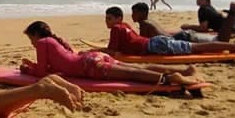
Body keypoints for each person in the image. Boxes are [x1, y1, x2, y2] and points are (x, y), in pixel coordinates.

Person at [21, 21, 205, 86]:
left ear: (36, 35)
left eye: (31, 38)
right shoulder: (54, 40)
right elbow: (59, 64)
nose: (32, 43)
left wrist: (28, 69)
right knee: (135, 68)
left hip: (89, 66)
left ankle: (170, 79)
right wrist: (32, 65)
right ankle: (185, 70)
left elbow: (42, 73)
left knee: (131, 74)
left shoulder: (42, 43)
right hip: (91, 58)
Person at [102, 7, 235, 57]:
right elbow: (131, 42)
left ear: (118, 18)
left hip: (156, 46)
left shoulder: (116, 28)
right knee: (196, 48)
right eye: (106, 18)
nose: (106, 21)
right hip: (156, 43)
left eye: (109, 18)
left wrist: (95, 51)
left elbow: (112, 51)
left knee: (197, 48)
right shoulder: (125, 25)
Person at [130, 2, 217, 43]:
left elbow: (142, 42)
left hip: (179, 39)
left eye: (135, 13)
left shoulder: (144, 24)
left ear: (142, 13)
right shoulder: (149, 21)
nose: (132, 15)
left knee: (214, 42)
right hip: (180, 36)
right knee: (213, 40)